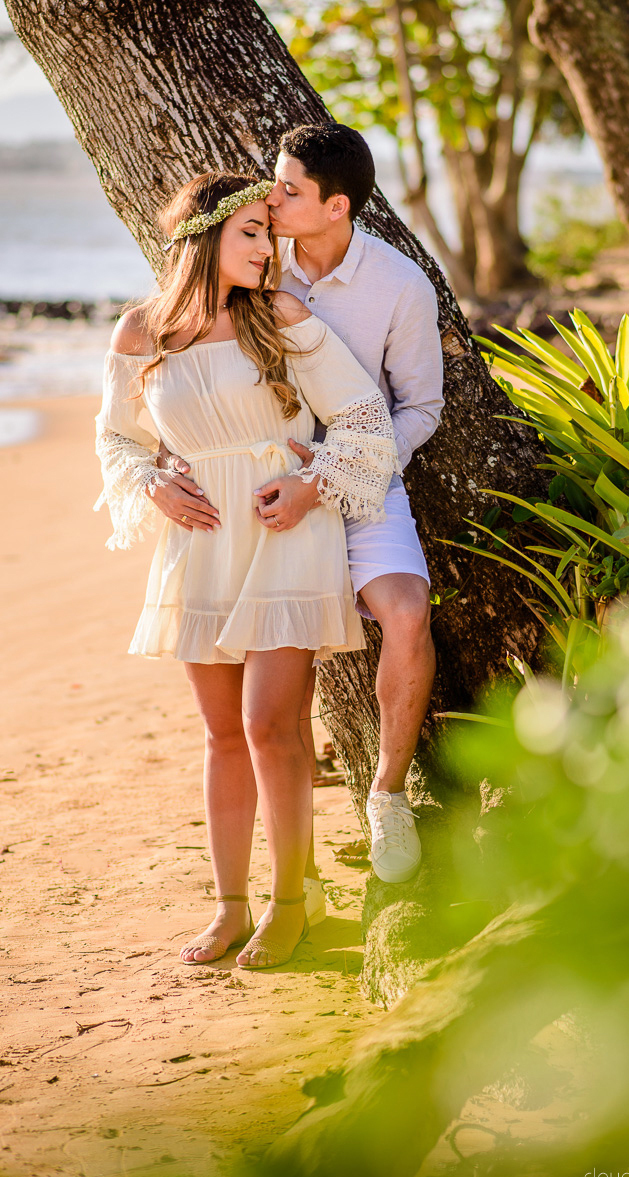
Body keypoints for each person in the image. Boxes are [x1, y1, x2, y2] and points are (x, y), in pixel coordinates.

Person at [95, 171, 398, 968]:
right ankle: (229, 908)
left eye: (271, 232)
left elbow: (365, 419)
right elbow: (117, 440)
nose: (272, 250)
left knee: (270, 725)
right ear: (205, 239)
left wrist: (310, 485)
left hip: (286, 529)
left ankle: (291, 904)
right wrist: (152, 482)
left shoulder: (283, 319)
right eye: (254, 234)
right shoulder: (142, 333)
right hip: (201, 540)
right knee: (222, 735)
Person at [156, 124, 443, 889]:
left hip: (359, 476)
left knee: (406, 613)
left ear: (336, 206)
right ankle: (288, 876)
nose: (270, 200)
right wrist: (167, 465)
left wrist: (333, 474)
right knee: (259, 705)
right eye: (269, 187)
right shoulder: (254, 256)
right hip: (258, 492)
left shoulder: (399, 286)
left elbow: (417, 408)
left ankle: (386, 794)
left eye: (287, 191)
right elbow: (186, 372)